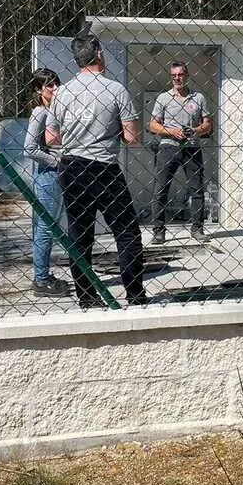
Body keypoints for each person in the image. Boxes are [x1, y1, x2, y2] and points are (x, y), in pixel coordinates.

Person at [46, 34, 148, 307]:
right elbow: (131, 136)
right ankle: (136, 295)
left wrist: (75, 133)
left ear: (75, 59)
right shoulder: (116, 90)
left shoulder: (63, 92)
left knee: (80, 233)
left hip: (71, 167)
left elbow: (50, 138)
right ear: (99, 54)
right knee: (126, 231)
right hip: (104, 167)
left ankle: (87, 298)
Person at [148, 61, 213, 244]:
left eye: (180, 75)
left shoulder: (198, 98)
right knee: (160, 190)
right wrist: (171, 131)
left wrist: (197, 130)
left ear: (186, 76)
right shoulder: (163, 98)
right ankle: (159, 232)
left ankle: (197, 229)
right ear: (171, 77)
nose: (177, 78)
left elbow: (208, 123)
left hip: (192, 147)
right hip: (168, 147)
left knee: (197, 190)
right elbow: (152, 125)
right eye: (174, 75)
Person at [23, 68, 70, 297]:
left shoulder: (55, 110)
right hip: (48, 176)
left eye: (56, 83)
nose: (55, 89)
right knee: (45, 228)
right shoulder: (40, 112)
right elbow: (29, 148)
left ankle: (43, 274)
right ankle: (40, 280)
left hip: (54, 175)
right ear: (38, 89)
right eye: (49, 85)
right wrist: (57, 162)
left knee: (49, 228)